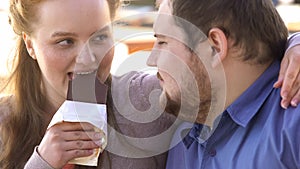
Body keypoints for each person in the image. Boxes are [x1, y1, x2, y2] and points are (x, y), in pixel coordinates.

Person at [0, 0, 299, 168]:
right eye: (64, 41)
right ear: (29, 44)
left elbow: (240, 56)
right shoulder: (3, 126)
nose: (89, 58)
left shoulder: (150, 100)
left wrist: (293, 46)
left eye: (101, 37)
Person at [146, 0, 300, 168]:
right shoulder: (188, 111)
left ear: (215, 46)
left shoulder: (292, 128)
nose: (151, 60)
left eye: (162, 42)